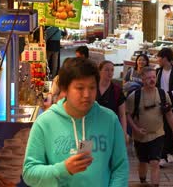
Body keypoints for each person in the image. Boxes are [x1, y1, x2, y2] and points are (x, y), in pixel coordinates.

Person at [23, 58, 128, 186]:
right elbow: (29, 173)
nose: (87, 94)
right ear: (64, 89)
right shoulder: (45, 123)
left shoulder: (110, 120)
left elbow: (120, 167)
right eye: (79, 88)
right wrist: (63, 169)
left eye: (92, 87)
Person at [126, 67, 173, 186]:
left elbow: (169, 114)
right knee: (143, 161)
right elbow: (127, 115)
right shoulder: (134, 96)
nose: (152, 80)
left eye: (154, 77)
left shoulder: (162, 94)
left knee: (155, 162)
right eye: (149, 77)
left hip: (158, 134)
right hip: (140, 136)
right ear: (142, 79)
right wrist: (136, 129)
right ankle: (143, 182)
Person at [96, 60, 129, 143]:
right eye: (106, 70)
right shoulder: (91, 88)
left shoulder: (117, 90)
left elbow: (122, 115)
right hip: (91, 128)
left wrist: (124, 133)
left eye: (112, 70)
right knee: (86, 154)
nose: (110, 73)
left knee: (108, 154)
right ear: (99, 71)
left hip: (110, 130)